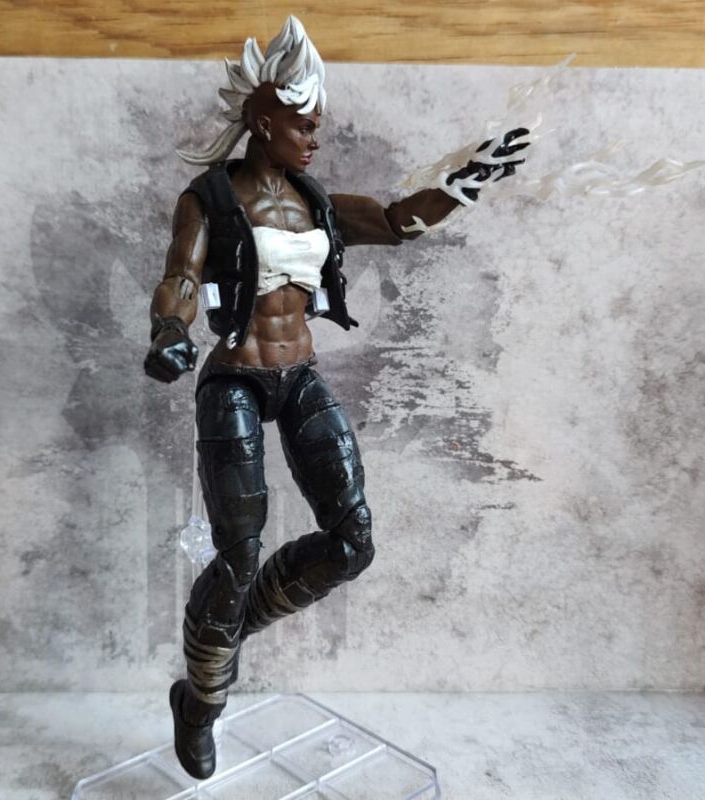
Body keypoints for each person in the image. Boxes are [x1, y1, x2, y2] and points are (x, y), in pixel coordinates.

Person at [143, 16, 530, 780]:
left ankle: (222, 638)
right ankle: (203, 700)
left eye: (316, 123)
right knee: (238, 550)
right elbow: (181, 275)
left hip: (300, 375)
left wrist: (467, 181)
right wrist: (168, 332)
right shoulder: (210, 199)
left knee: (351, 541)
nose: (315, 136)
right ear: (264, 122)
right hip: (235, 377)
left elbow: (394, 220)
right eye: (303, 123)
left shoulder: (314, 199)